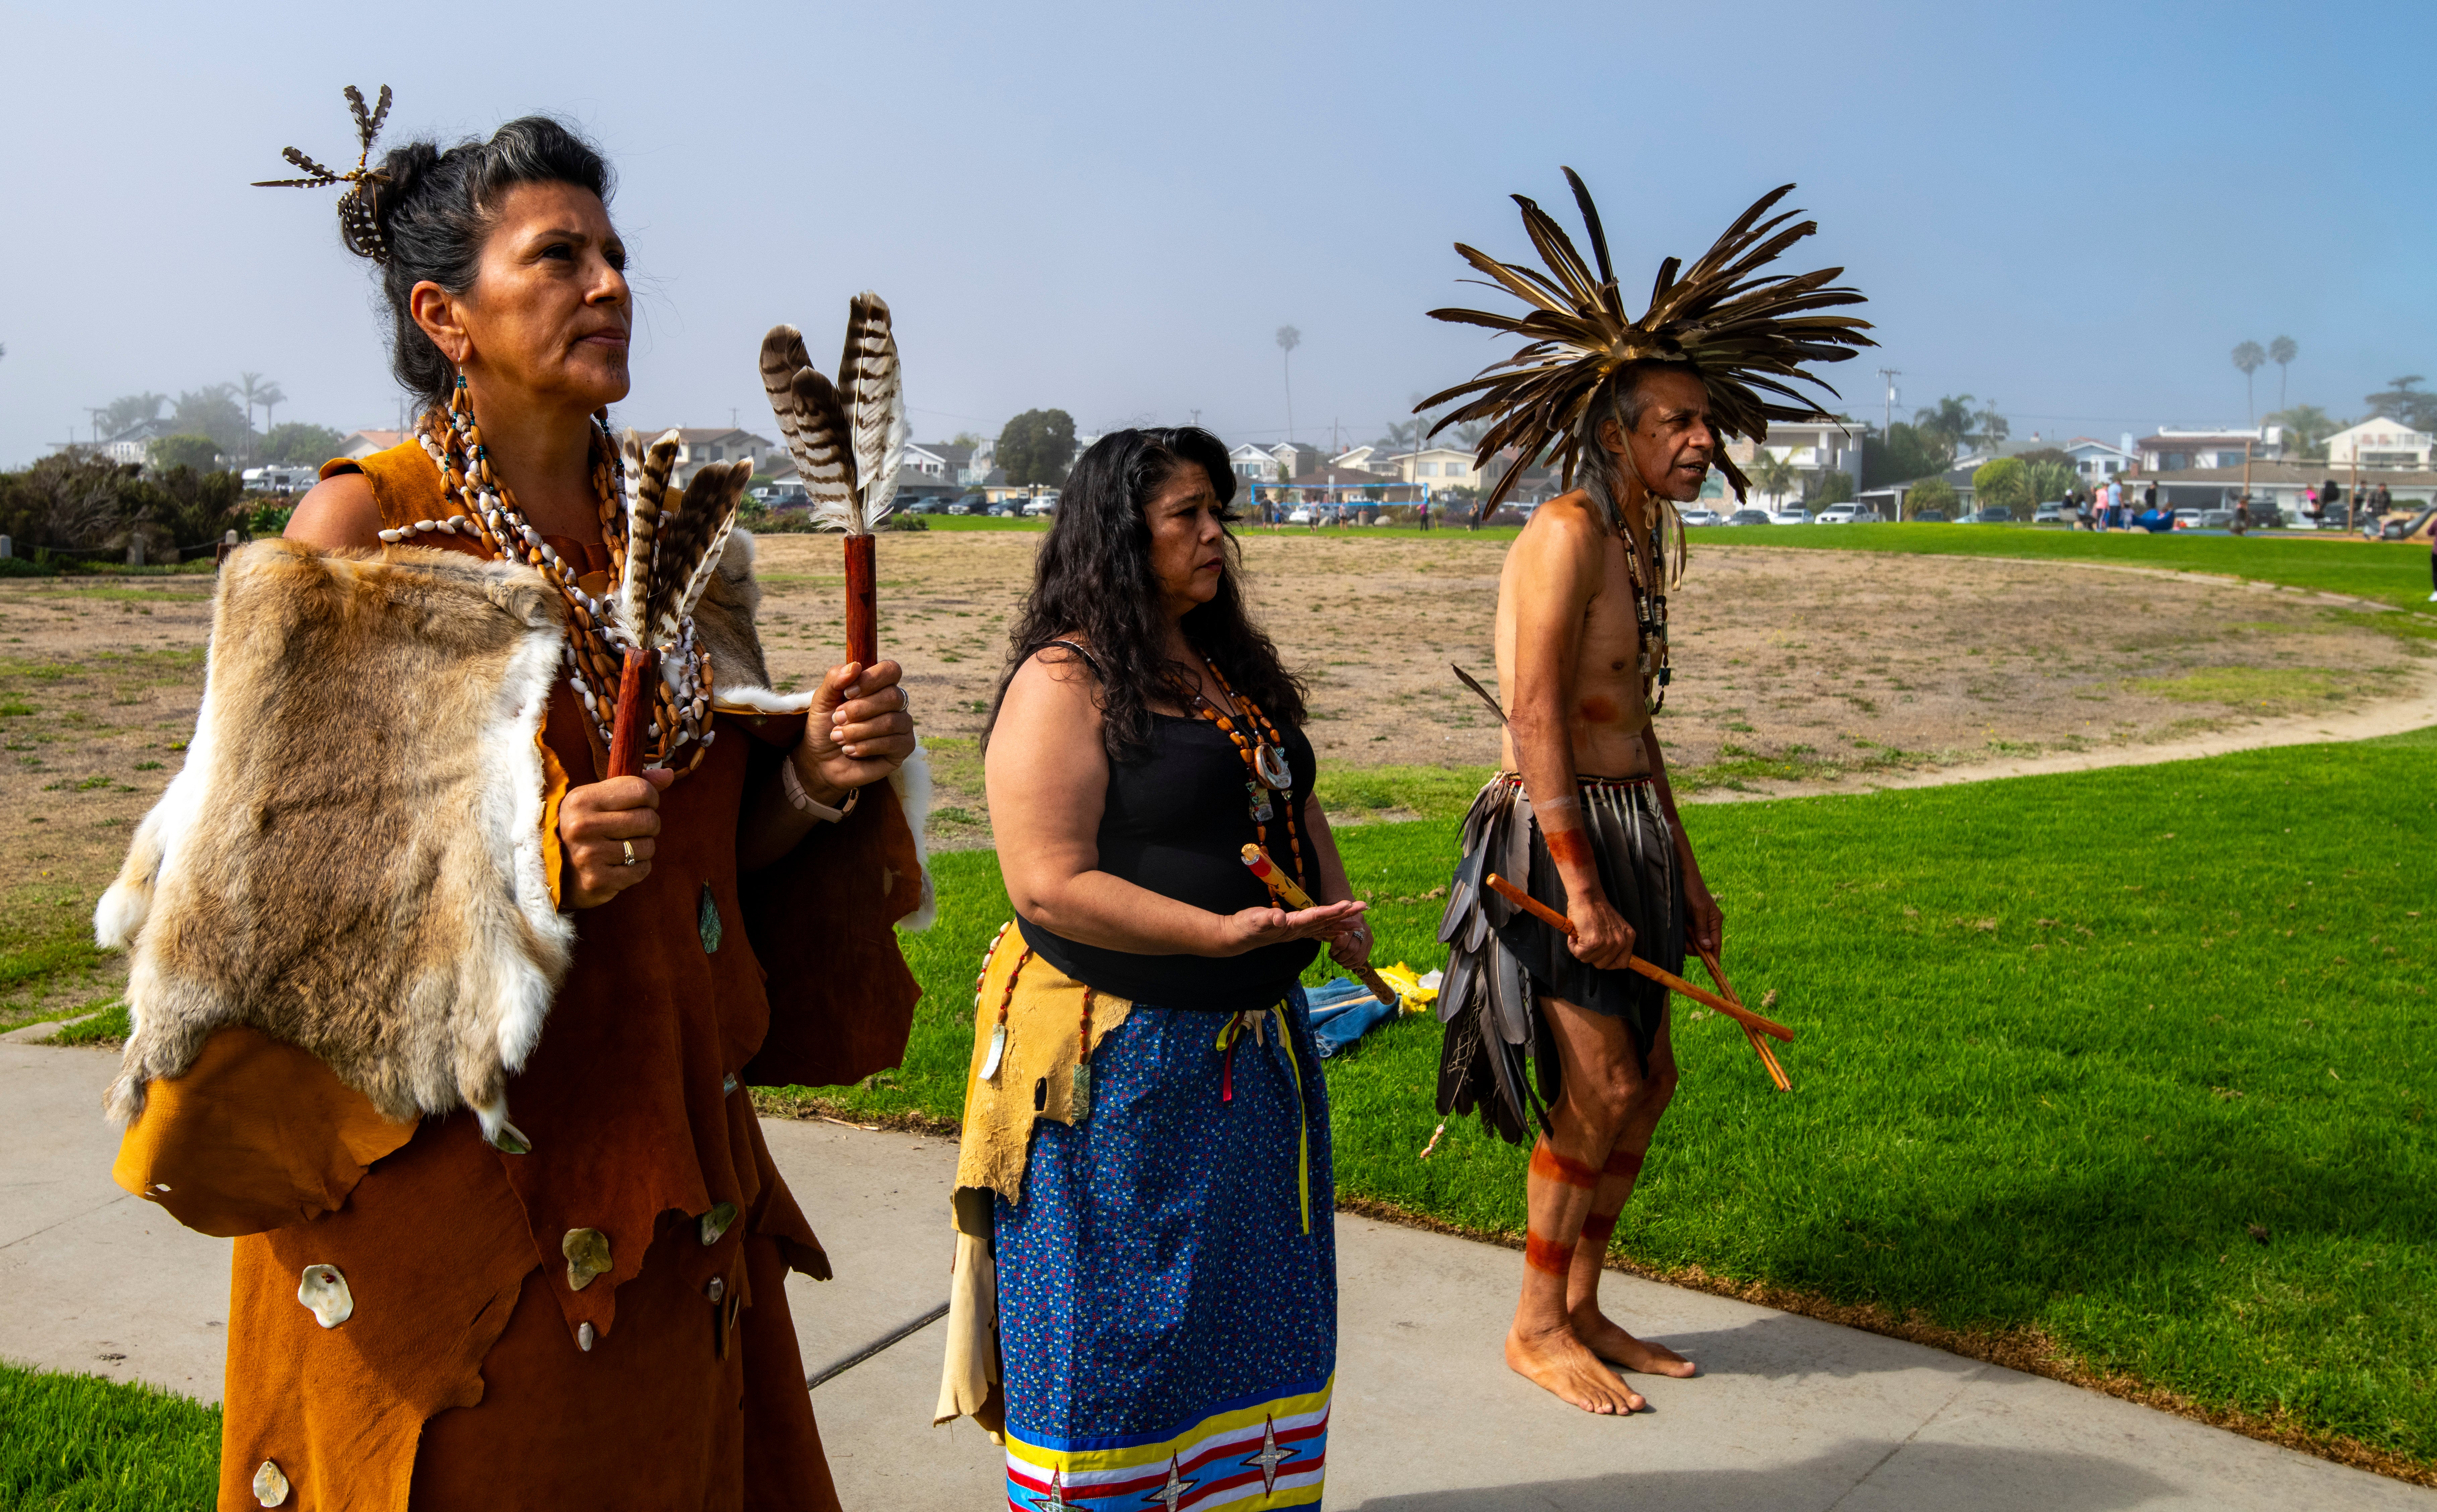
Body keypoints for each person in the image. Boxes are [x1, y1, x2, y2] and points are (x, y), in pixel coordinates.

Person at [100, 95, 924, 1508]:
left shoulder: (681, 542)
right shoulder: (367, 531)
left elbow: (708, 868)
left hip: (669, 1172)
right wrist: (534, 868)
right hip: (462, 1208)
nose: (609, 285)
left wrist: (806, 780)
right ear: (447, 315)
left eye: (611, 255)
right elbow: (274, 918)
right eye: (557, 258)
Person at [1415, 172, 1870, 1416]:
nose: (1701, 443)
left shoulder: (1634, 544)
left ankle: (1584, 1302)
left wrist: (1688, 877)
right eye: (1676, 421)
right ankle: (1532, 1324)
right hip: (1551, 838)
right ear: (1616, 428)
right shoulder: (1565, 533)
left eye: (1706, 424)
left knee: (1650, 1082)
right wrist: (1578, 883)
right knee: (1601, 1085)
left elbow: (1639, 729)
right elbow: (1537, 717)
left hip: (1629, 836)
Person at [939, 428, 1365, 1506]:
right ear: (1120, 538)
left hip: (1249, 1071)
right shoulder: (1063, 679)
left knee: (1247, 1319)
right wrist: (1212, 935)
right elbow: (1047, 883)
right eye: (1188, 515)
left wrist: (1328, 904)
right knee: (1117, 1335)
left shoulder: (1224, 669)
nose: (1217, 533)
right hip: (1117, 1077)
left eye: (1218, 509)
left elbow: (1284, 788)